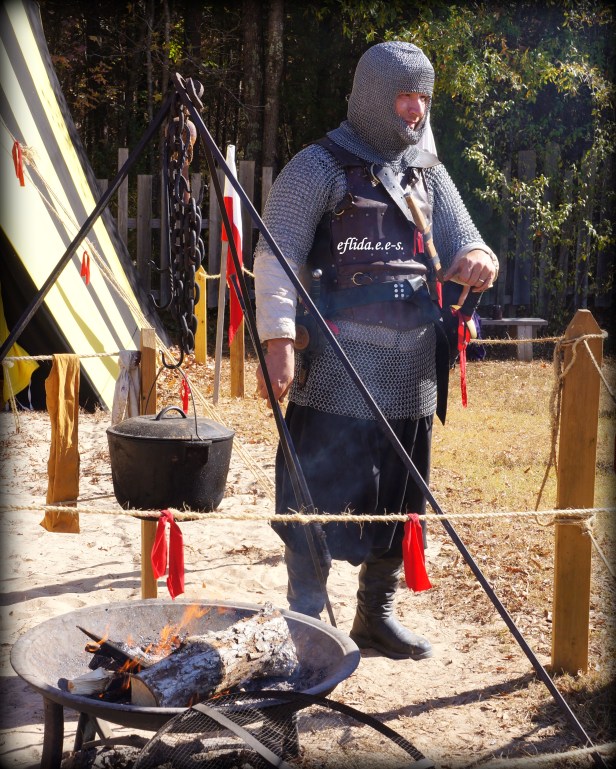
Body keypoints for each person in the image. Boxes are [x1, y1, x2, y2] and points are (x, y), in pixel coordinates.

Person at [253, 41, 498, 660]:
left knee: (398, 499)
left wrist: (478, 259)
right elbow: (273, 258)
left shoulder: (427, 172)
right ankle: (307, 619)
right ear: (371, 96)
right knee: (315, 494)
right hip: (336, 361)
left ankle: (374, 615)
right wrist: (278, 340)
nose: (415, 110)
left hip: (411, 364)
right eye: (404, 95)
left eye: (423, 97)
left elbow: (469, 241)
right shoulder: (318, 167)